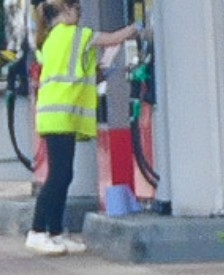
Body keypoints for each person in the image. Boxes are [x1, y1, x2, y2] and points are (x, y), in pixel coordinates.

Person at [27, 0, 140, 255]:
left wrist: (101, 73)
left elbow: (78, 71)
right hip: (61, 115)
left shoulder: (50, 39)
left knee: (63, 175)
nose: (80, 13)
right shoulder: (77, 34)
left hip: (53, 114)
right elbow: (113, 38)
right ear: (65, 11)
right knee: (58, 176)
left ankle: (54, 232)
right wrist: (139, 26)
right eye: (77, 8)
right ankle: (37, 231)